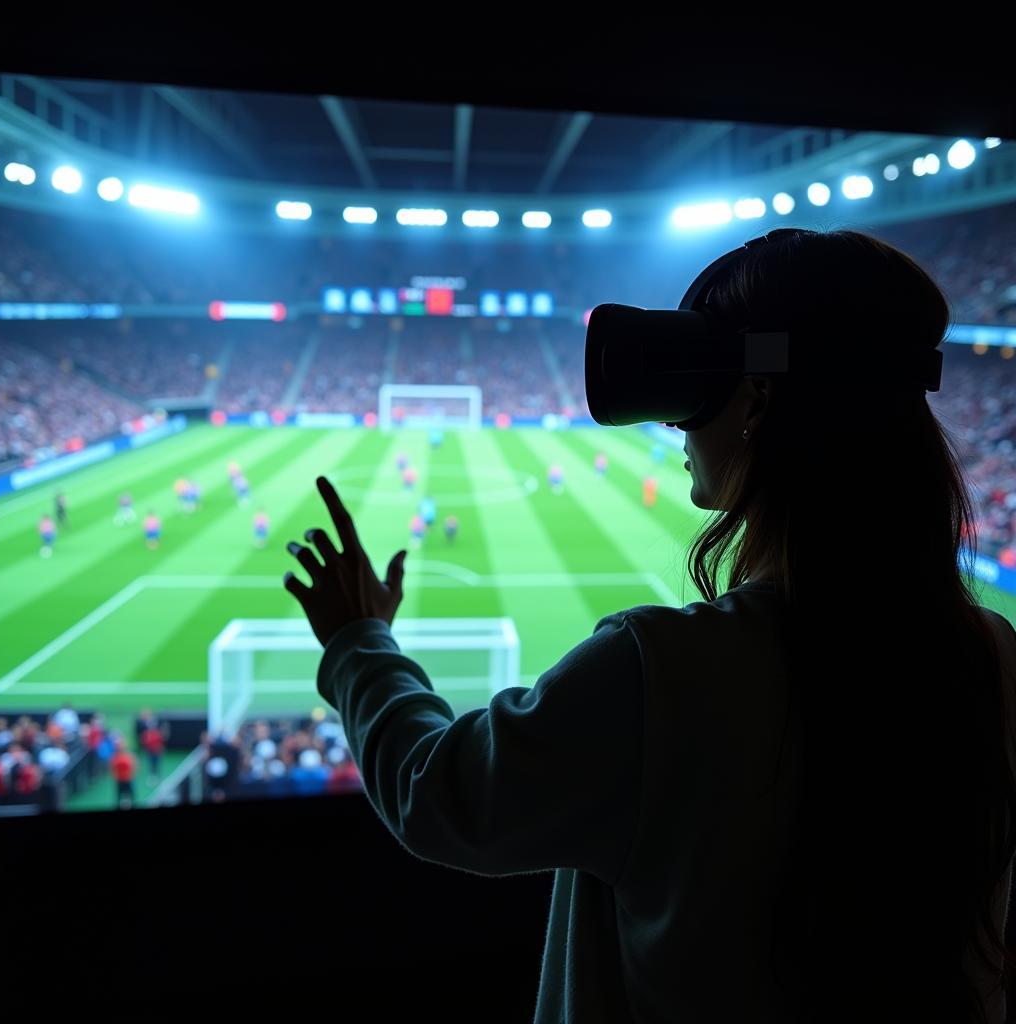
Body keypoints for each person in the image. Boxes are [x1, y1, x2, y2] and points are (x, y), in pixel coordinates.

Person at [282, 232, 1016, 1024]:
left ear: (757, 401)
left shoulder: (660, 672)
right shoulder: (999, 659)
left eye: (695, 385)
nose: (674, 425)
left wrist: (359, 638)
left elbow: (438, 795)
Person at [109, 736, 137, 809]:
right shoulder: (115, 757)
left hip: (127, 779)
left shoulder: (127, 756)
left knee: (130, 796)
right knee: (121, 796)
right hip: (121, 780)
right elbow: (113, 768)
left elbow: (133, 766)